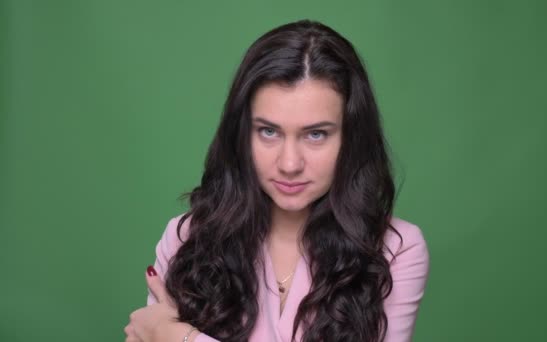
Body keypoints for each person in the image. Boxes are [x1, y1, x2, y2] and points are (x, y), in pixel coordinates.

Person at [124, 19, 429, 342]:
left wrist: (181, 338)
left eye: (316, 134)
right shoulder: (186, 238)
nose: (289, 163)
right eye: (268, 131)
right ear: (241, 134)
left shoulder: (396, 250)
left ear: (351, 138)